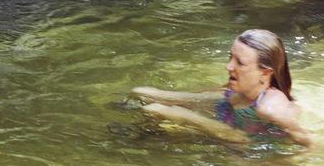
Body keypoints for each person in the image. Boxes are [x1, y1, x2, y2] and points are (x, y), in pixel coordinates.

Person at [130, 28, 312, 147]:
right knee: (141, 93)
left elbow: (306, 141)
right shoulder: (238, 87)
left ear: (265, 73)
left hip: (240, 138)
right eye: (230, 57)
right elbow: (214, 93)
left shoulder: (270, 107)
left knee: (159, 110)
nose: (229, 66)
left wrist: (271, 165)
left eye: (239, 63)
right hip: (227, 108)